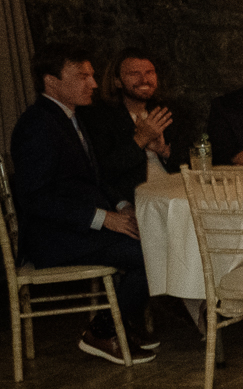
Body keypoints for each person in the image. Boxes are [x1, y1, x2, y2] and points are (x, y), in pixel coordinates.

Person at [8, 45, 156, 363]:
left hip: (82, 229)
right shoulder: (37, 125)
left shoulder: (70, 117)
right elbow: (35, 199)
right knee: (152, 253)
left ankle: (119, 326)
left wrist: (119, 205)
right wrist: (103, 219)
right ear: (51, 81)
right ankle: (103, 331)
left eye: (91, 75)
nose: (92, 83)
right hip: (56, 238)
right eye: (82, 76)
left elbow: (92, 177)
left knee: (156, 239)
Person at [80, 48, 191, 205]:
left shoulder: (169, 111)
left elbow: (192, 164)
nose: (144, 80)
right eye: (134, 74)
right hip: (136, 201)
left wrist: (163, 150)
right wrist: (141, 139)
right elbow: (103, 171)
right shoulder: (100, 117)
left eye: (149, 73)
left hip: (177, 195)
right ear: (117, 81)